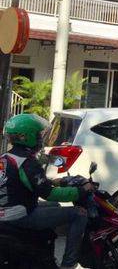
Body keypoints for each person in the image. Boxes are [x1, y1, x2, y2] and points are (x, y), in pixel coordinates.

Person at [0, 113, 95, 269]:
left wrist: (51, 181)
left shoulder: (6, 157)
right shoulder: (28, 163)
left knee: (55, 206)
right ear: (26, 137)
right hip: (20, 215)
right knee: (79, 214)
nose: (40, 139)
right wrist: (81, 190)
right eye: (38, 135)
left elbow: (18, 182)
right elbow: (48, 193)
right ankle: (69, 264)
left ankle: (43, 249)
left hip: (8, 210)